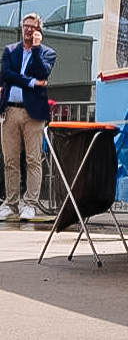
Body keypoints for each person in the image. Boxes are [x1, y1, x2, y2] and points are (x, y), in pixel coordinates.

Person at [0, 13, 56, 221]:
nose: (29, 29)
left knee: (33, 160)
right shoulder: (10, 51)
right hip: (10, 111)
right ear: (21, 28)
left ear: (39, 30)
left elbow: (42, 74)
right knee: (10, 160)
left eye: (33, 26)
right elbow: (6, 75)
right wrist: (31, 83)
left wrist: (36, 49)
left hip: (33, 113)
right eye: (26, 26)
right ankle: (11, 203)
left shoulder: (47, 53)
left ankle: (30, 204)